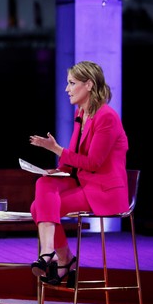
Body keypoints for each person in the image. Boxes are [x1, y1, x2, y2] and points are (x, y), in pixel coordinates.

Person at [27, 60, 129, 286]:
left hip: (104, 191)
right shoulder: (81, 114)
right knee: (44, 184)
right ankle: (51, 254)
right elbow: (73, 160)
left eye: (72, 83)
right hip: (85, 183)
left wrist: (56, 149)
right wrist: (58, 172)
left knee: (38, 207)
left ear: (89, 84)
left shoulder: (107, 117)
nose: (67, 89)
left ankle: (61, 259)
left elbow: (92, 163)